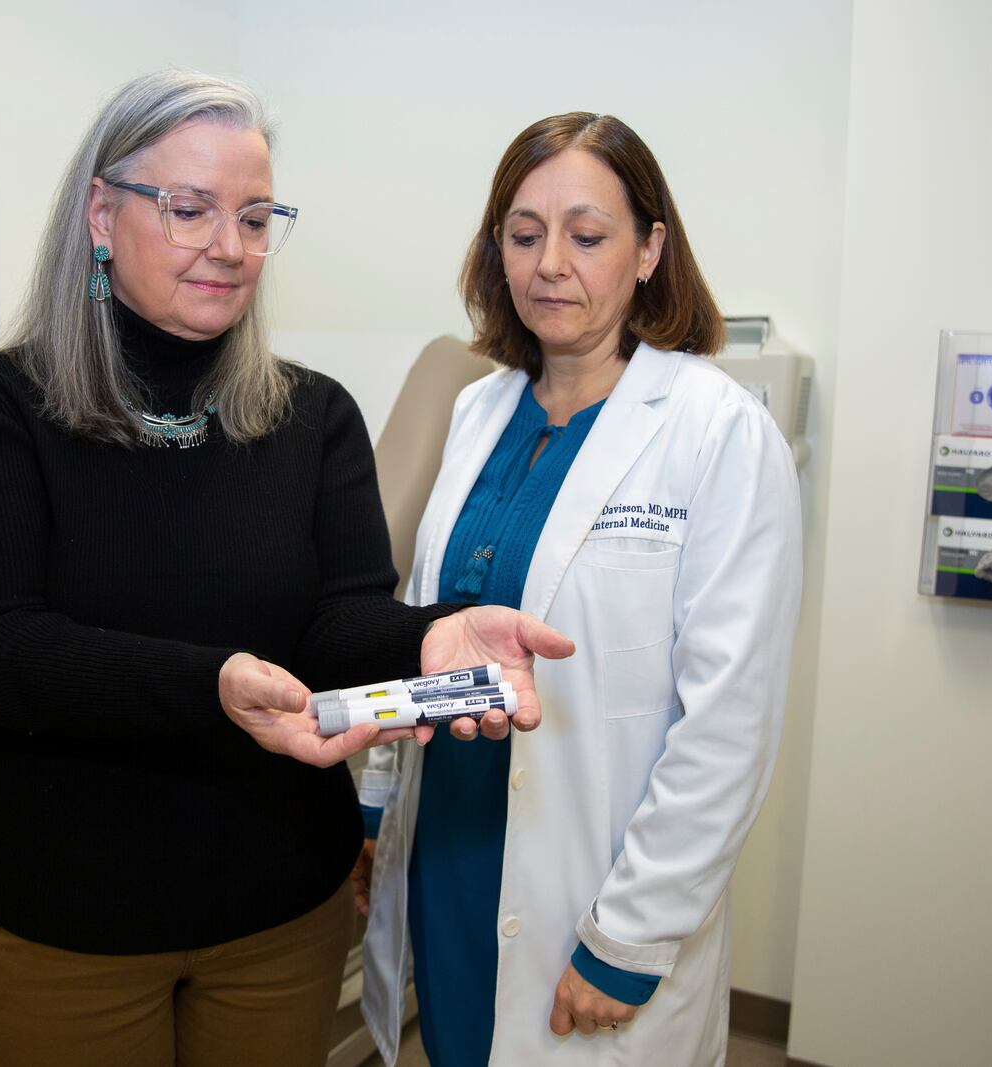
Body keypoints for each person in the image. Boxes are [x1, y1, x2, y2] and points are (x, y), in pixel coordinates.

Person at [0, 70, 571, 1067]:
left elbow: (338, 619)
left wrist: (430, 632)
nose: (230, 246)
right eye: (189, 209)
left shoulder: (311, 416)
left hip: (278, 912)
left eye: (256, 217)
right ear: (102, 213)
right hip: (65, 916)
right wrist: (209, 684)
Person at [355, 112, 803, 1066]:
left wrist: (631, 940)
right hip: (450, 850)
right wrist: (374, 812)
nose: (549, 263)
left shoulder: (717, 431)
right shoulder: (477, 410)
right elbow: (429, 627)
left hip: (593, 886)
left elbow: (728, 723)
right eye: (523, 235)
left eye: (587, 235)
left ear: (650, 250)